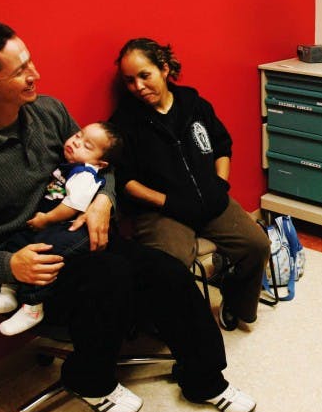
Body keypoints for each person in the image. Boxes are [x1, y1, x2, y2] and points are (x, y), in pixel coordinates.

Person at [0, 18, 255, 412]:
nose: (35, 75)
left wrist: (103, 201)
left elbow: (102, 163)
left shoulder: (48, 111)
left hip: (89, 241)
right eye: (21, 71)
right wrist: (9, 264)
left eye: (31, 61)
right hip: (37, 267)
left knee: (169, 273)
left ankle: (206, 381)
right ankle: (89, 377)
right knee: (111, 277)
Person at [110, 38, 270, 331]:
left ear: (164, 69)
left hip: (209, 198)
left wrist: (219, 184)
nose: (138, 86)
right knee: (172, 265)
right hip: (161, 210)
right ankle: (184, 331)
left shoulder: (194, 104)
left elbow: (222, 146)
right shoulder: (125, 122)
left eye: (145, 75)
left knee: (257, 244)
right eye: (129, 80)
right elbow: (125, 181)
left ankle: (235, 302)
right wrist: (167, 202)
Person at [0, 122, 122, 336]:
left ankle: (33, 307)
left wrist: (45, 219)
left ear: (100, 163)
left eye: (87, 146)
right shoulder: (69, 165)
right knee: (17, 243)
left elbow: (72, 206)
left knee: (45, 255)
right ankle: (8, 292)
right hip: (53, 224)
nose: (76, 142)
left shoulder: (86, 174)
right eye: (78, 135)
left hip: (72, 229)